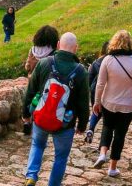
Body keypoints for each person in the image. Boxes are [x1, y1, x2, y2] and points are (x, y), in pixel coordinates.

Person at [22, 32, 89, 186]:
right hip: (65, 123)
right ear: (76, 48)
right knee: (61, 157)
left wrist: (26, 113)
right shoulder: (80, 72)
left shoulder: (44, 63)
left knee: (37, 145)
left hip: (41, 117)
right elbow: (83, 102)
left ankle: (31, 176)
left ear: (58, 45)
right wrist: (82, 125)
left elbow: (30, 91)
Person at [93, 30, 132, 178]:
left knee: (107, 126)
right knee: (120, 133)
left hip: (109, 103)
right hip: (129, 105)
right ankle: (112, 168)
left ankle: (102, 154)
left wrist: (96, 102)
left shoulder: (108, 60)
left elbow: (100, 84)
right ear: (131, 43)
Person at [84, 40, 109, 144]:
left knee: (96, 111)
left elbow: (89, 79)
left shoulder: (96, 63)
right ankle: (102, 144)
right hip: (108, 91)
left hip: (95, 91)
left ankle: (90, 129)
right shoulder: (112, 61)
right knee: (107, 119)